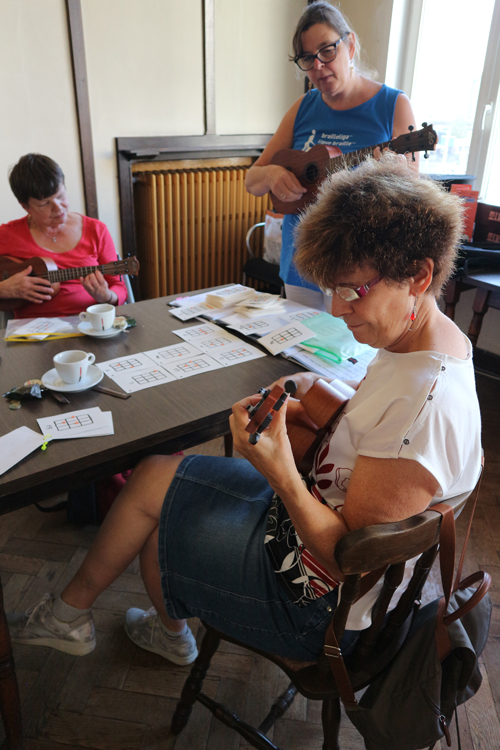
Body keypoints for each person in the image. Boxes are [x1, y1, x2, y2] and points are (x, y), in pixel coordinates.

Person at [8, 156, 481, 667]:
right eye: (333, 289)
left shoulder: (426, 408)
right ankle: (84, 617)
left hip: (315, 607)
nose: (338, 308)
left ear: (418, 275)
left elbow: (343, 559)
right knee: (153, 476)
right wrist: (308, 386)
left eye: (353, 291)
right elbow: (369, 422)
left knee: (160, 527)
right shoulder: (419, 340)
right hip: (306, 530)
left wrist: (279, 470)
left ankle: (138, 627)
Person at [245, 0, 418, 311]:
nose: (319, 67)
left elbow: (411, 190)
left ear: (350, 45)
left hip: (361, 268)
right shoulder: (302, 108)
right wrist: (272, 174)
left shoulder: (393, 105)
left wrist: (370, 177)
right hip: (300, 264)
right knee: (298, 354)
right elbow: (252, 181)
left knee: (350, 356)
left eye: (327, 51)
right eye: (308, 59)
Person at [0, 153, 127, 317]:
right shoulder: (7, 235)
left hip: (90, 324)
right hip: (34, 334)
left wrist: (107, 296)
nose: (59, 208)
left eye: (60, 196)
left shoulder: (96, 230)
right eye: (45, 204)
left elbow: (118, 286)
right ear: (25, 206)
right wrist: (4, 289)